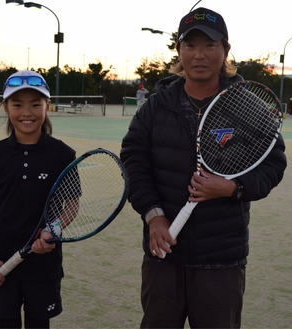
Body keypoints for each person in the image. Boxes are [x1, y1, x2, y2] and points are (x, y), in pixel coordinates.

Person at [120, 7, 287, 329]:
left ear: (225, 50)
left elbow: (273, 163)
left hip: (222, 259)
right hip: (163, 254)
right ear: (179, 51)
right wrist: (153, 215)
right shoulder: (156, 106)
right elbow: (134, 161)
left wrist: (233, 188)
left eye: (210, 45)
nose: (199, 55)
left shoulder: (248, 105)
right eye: (190, 45)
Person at [0, 70, 76, 329]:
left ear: (47, 106)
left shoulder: (63, 154)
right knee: (5, 323)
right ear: (6, 107)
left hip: (44, 265)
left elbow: (72, 205)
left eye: (35, 104)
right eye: (17, 104)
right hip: (1, 262)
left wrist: (53, 229)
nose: (26, 112)